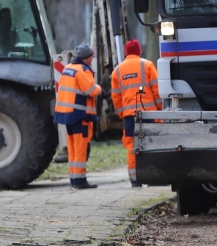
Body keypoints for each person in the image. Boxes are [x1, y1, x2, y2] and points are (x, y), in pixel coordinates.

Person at [111, 39, 162, 187]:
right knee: (150, 143)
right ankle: (152, 177)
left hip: (129, 116)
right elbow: (156, 90)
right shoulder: (147, 65)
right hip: (148, 114)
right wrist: (159, 109)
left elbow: (116, 97)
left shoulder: (117, 71)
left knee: (132, 146)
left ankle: (135, 179)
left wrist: (123, 114)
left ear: (126, 52)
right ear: (139, 51)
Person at [54, 43, 101, 189]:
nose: (93, 58)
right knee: (81, 149)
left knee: (73, 150)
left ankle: (74, 179)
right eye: (92, 56)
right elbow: (92, 91)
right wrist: (99, 87)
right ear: (87, 58)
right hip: (81, 116)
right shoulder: (83, 71)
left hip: (68, 116)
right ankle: (80, 181)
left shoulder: (67, 69)